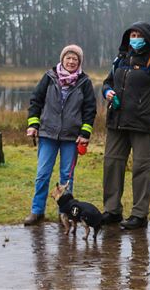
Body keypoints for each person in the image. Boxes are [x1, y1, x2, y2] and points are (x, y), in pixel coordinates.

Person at [101, 21, 150, 230]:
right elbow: (107, 82)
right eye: (132, 34)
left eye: (138, 34)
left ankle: (139, 215)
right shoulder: (120, 58)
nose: (135, 38)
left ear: (147, 37)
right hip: (117, 122)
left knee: (141, 168)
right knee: (112, 164)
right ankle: (112, 211)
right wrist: (107, 92)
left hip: (144, 124)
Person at [24, 44, 96, 225]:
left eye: (75, 59)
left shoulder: (84, 82)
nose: (71, 62)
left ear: (79, 62)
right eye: (68, 58)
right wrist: (33, 124)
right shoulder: (49, 78)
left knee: (67, 178)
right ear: (62, 59)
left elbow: (90, 110)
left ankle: (64, 213)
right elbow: (35, 101)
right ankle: (37, 211)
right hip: (47, 134)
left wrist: (85, 133)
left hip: (71, 138)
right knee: (42, 174)